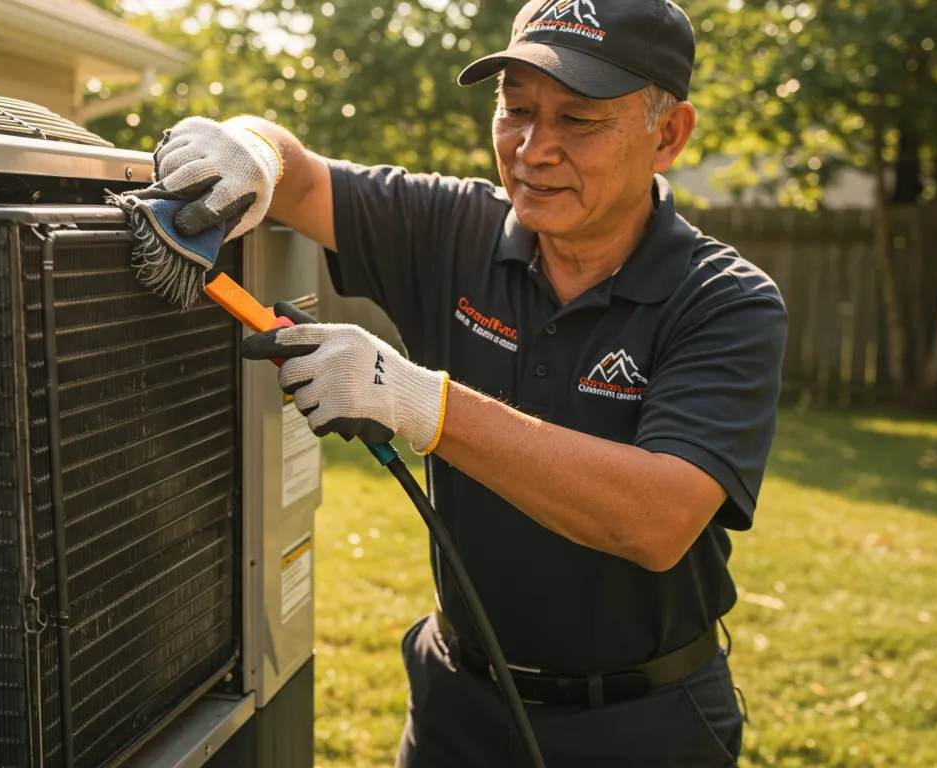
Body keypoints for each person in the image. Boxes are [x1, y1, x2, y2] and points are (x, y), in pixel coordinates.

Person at [143, 0, 787, 764]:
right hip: (457, 708)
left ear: (668, 135)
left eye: (579, 121)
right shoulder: (453, 228)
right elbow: (297, 173)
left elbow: (655, 520)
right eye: (515, 111)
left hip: (642, 722)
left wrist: (415, 400)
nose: (533, 149)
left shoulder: (725, 300)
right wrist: (247, 149)